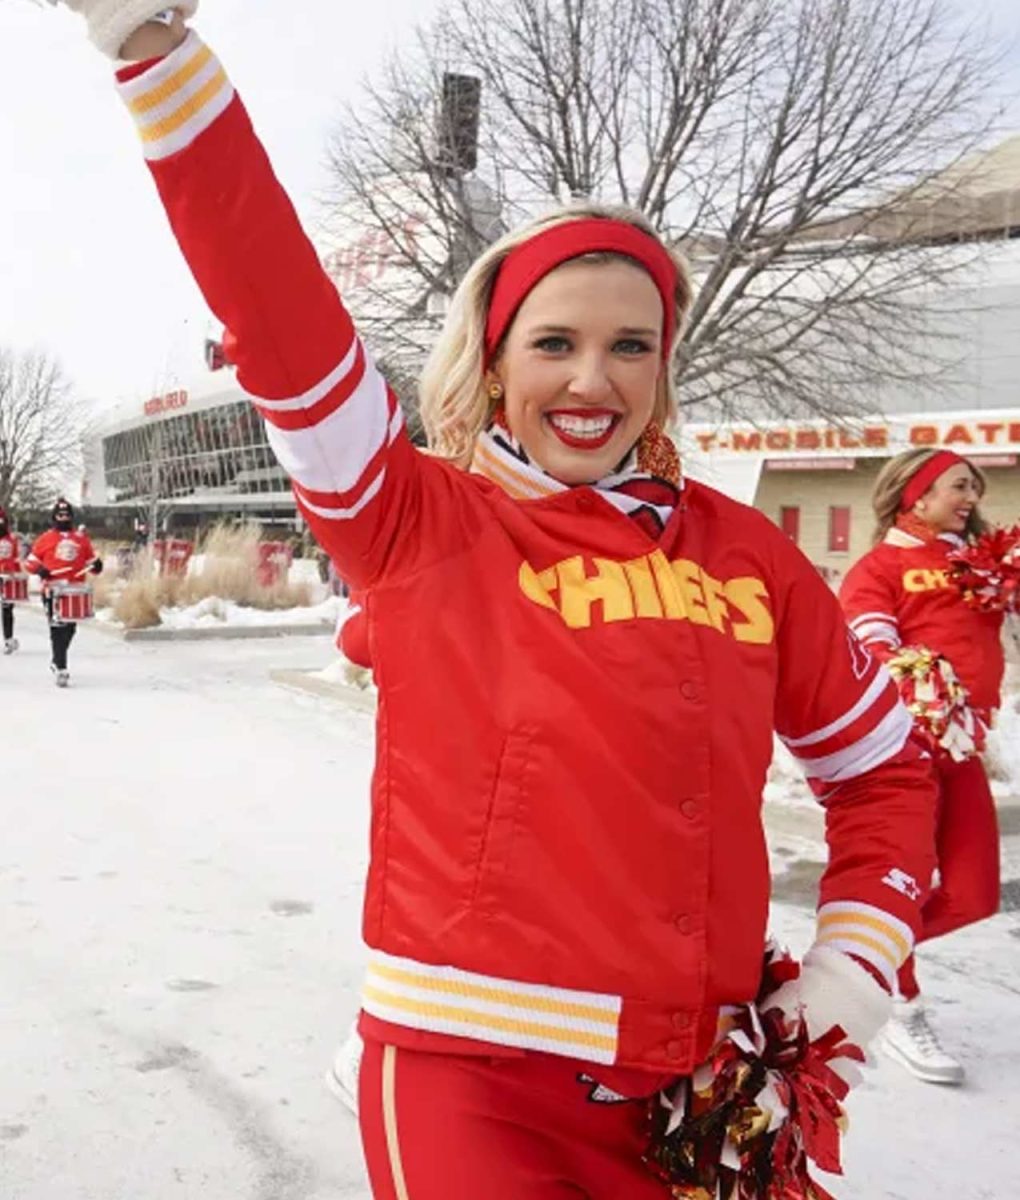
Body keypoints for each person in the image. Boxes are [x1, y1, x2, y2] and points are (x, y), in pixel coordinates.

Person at [54, 7, 938, 1195]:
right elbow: (280, 316)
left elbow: (885, 774)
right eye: (554, 343)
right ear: (496, 357)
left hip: (700, 1094)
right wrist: (156, 56)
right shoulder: (415, 518)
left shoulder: (748, 555)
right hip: (470, 1079)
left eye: (632, 347)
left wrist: (851, 976)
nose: (592, 380)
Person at [840, 448, 1004, 1085]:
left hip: (960, 750)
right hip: (900, 755)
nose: (971, 498)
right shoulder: (879, 568)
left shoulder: (980, 565)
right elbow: (872, 651)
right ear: (917, 492)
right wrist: (925, 684)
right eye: (960, 485)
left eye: (975, 487)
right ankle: (900, 1004)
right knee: (902, 883)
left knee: (974, 895)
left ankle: (860, 961)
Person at [24, 498, 103, 687]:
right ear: (54, 517)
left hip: (74, 589)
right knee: (56, 626)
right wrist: (39, 570)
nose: (63, 518)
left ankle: (57, 658)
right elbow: (30, 562)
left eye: (67, 515)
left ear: (71, 517)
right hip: (52, 589)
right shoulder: (45, 539)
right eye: (60, 515)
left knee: (70, 628)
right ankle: (61, 667)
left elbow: (91, 563)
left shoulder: (81, 539)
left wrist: (97, 566)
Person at [0, 507, 22, 654]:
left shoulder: (12, 540)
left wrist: (17, 575)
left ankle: (8, 638)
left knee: (7, 608)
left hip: (7, 577)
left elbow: (15, 559)